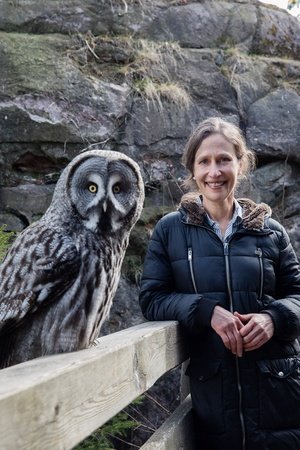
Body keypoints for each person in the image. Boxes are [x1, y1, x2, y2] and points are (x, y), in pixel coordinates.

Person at [139, 117, 300, 450]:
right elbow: (152, 299)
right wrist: (206, 310)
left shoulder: (270, 231)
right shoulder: (170, 231)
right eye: (205, 162)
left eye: (224, 159)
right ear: (193, 170)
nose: (215, 171)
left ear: (239, 165)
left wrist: (273, 318)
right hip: (215, 400)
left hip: (280, 396)